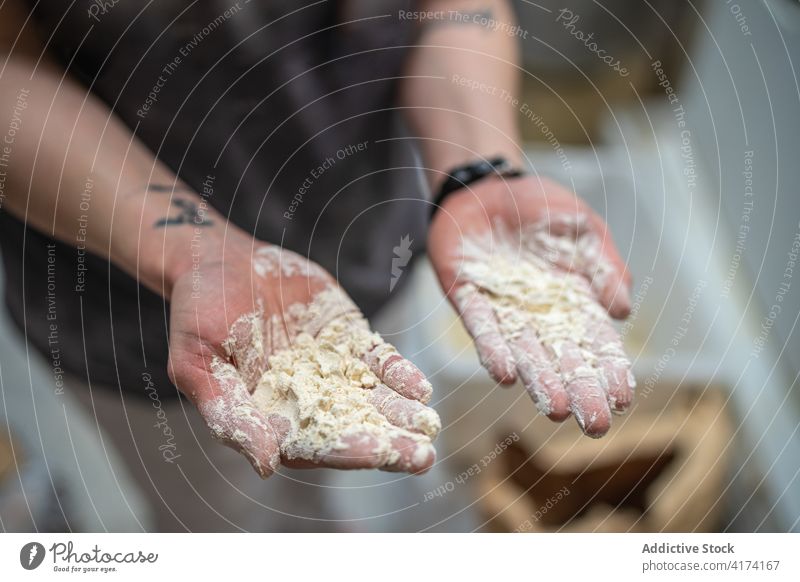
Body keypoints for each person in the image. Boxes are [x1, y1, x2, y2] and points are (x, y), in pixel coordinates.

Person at [0, 0, 632, 530]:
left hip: (376, 231)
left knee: (394, 459)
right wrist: (195, 251)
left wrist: (474, 171)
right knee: (237, 524)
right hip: (140, 300)